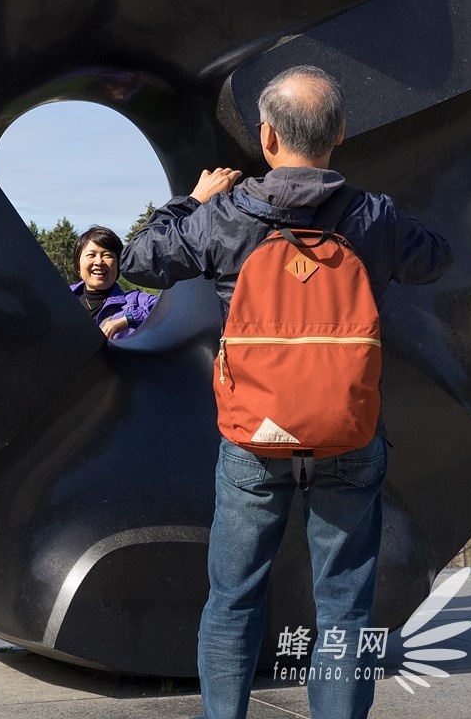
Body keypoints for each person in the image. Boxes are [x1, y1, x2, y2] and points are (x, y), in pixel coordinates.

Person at [121, 65, 453, 719]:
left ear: (267, 138)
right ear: (339, 135)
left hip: (254, 440)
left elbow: (139, 261)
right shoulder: (372, 217)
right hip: (349, 437)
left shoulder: (222, 220)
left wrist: (190, 201)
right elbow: (435, 257)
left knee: (234, 601)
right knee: (345, 611)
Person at [70, 225, 157, 340]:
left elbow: (168, 308)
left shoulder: (134, 302)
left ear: (118, 265)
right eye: (91, 255)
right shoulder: (61, 300)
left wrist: (128, 320)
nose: (99, 262)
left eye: (107, 255)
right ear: (78, 265)